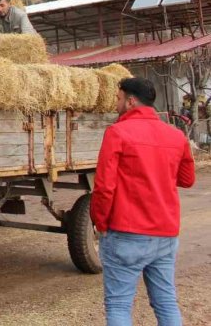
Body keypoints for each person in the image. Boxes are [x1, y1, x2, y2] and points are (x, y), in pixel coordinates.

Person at [91, 77, 195, 326]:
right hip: (165, 232)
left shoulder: (117, 133)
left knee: (118, 305)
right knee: (166, 302)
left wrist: (100, 223)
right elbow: (187, 179)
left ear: (131, 101)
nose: (116, 104)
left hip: (127, 232)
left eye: (118, 99)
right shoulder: (176, 135)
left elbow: (104, 186)